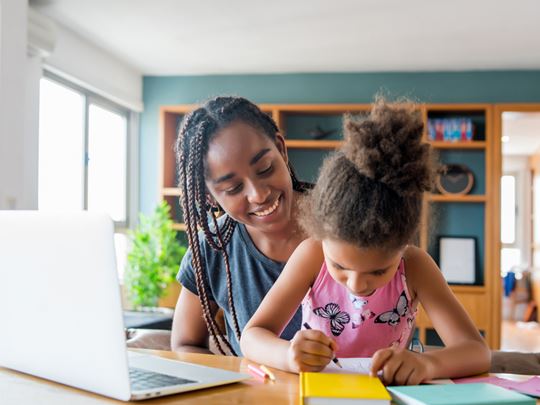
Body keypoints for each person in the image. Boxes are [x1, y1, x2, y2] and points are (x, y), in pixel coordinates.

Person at [240, 99, 491, 385]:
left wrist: (428, 364)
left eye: (378, 271)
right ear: (321, 236)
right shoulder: (311, 255)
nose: (358, 285)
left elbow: (476, 351)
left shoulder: (416, 266)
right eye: (340, 266)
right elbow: (252, 336)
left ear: (403, 245)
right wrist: (287, 355)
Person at [171, 96, 310, 356]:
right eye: (233, 188)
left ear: (281, 149)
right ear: (210, 196)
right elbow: (186, 344)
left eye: (266, 168)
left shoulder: (345, 221)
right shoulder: (212, 250)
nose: (258, 194)